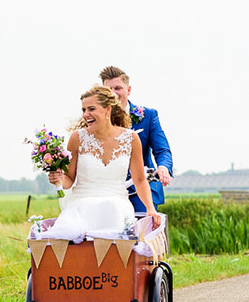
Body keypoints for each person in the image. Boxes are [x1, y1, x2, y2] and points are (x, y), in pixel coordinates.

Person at [43, 86, 161, 243]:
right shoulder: (77, 138)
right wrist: (58, 178)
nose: (86, 114)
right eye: (84, 110)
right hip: (81, 204)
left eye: (91, 109)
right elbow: (69, 180)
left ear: (107, 109)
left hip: (117, 203)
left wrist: (150, 209)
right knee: (86, 213)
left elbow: (139, 180)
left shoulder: (131, 138)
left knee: (112, 207)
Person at [100, 66, 173, 212]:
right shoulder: (97, 118)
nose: (113, 93)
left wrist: (163, 167)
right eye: (109, 90)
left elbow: (162, 149)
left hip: (141, 191)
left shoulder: (148, 116)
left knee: (143, 233)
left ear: (128, 90)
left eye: (118, 88)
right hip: (107, 192)